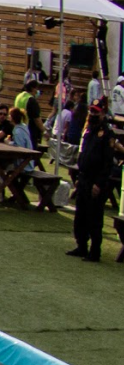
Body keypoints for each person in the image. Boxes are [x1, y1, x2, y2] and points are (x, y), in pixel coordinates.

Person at [68, 100, 116, 261]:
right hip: (84, 178)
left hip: (96, 180)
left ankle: (95, 252)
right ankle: (81, 246)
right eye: (91, 111)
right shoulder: (88, 130)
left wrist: (99, 184)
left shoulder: (107, 134)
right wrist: (79, 177)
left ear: (102, 113)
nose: (93, 114)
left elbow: (107, 163)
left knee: (94, 218)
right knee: (80, 216)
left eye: (96, 112)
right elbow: (83, 154)